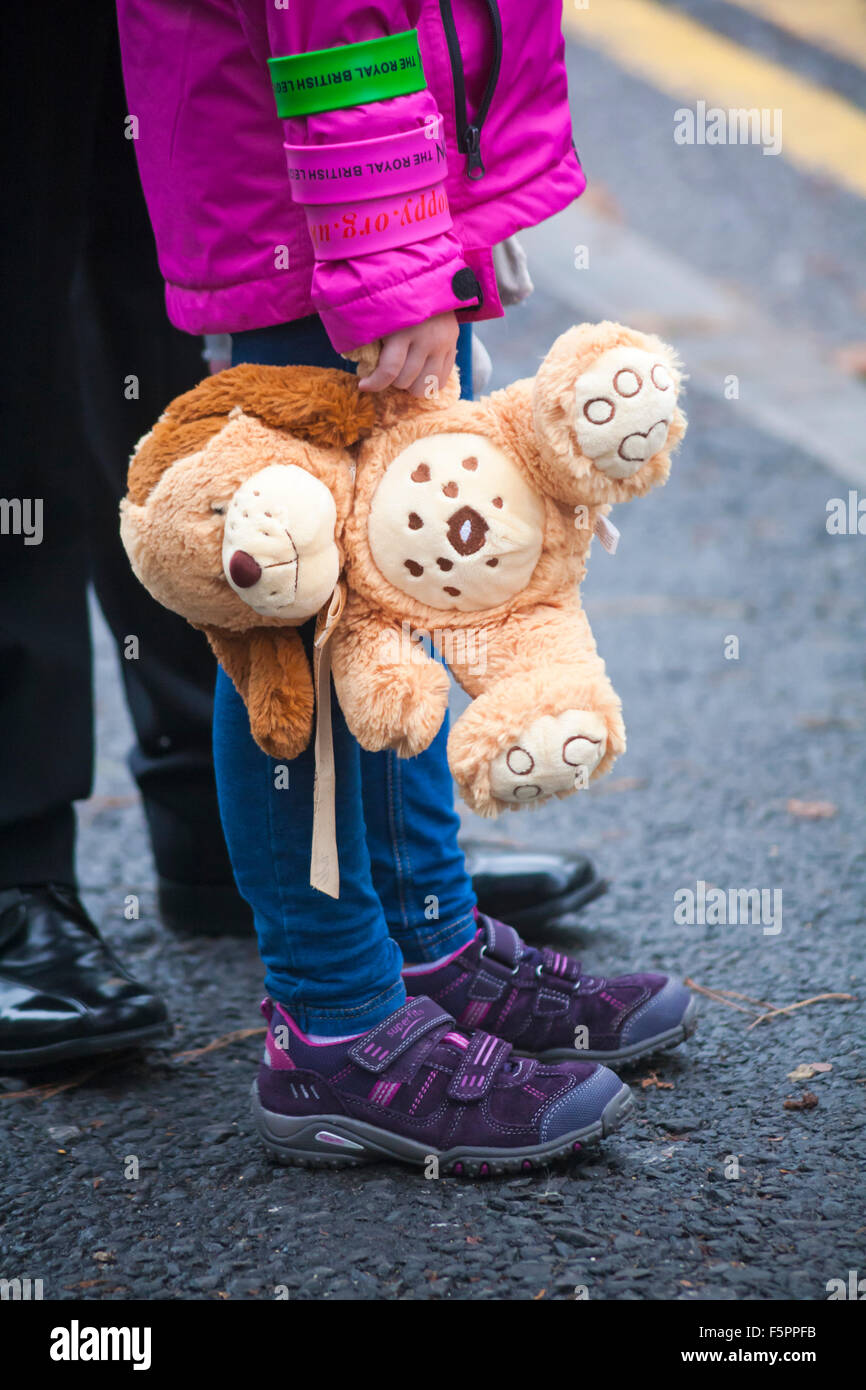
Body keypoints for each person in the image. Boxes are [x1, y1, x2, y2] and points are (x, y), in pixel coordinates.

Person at [117, 1, 696, 1172]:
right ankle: (333, 1027)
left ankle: (423, 944)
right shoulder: (362, 238)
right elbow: (338, 29)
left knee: (397, 579)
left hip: (379, 207)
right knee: (304, 607)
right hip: (320, 229)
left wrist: (435, 226)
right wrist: (391, 266)